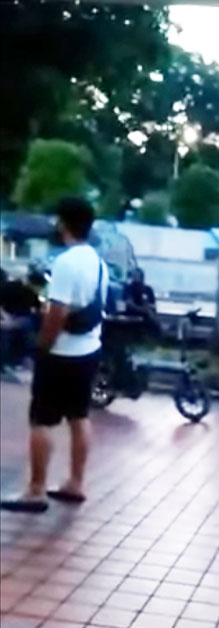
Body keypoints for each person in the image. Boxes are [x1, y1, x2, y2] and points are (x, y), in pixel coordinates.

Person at [2, 198, 108, 513]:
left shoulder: (65, 263)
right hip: (89, 349)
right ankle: (76, 482)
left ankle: (36, 490)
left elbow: (56, 312)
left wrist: (42, 346)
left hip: (61, 352)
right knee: (79, 417)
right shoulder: (98, 264)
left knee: (41, 420)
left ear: (63, 223)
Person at [122, 268, 160, 338]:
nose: (135, 278)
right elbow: (129, 303)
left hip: (147, 312)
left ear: (141, 277)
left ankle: (155, 336)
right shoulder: (129, 288)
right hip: (132, 312)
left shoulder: (148, 289)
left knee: (151, 316)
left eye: (136, 276)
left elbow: (153, 304)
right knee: (149, 315)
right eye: (133, 276)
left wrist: (148, 307)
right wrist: (142, 309)